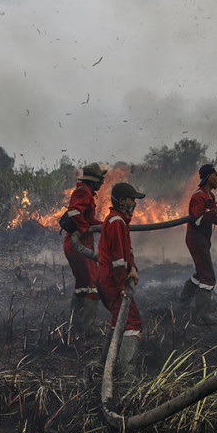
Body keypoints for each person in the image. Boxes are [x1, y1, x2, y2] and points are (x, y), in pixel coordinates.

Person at [177, 163, 217, 325]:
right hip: (196, 240)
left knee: (201, 274)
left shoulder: (210, 197)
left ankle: (182, 307)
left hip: (203, 240)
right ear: (208, 177)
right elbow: (199, 220)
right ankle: (202, 316)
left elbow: (212, 218)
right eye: (215, 175)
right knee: (208, 278)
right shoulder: (198, 197)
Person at [97, 182, 145, 380]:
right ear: (121, 200)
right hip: (111, 281)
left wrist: (132, 267)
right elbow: (118, 259)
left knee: (119, 320)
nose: (134, 202)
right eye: (132, 199)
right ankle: (128, 377)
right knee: (132, 322)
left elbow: (127, 251)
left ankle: (104, 365)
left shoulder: (120, 221)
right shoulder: (116, 222)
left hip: (108, 279)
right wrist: (120, 286)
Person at [62, 162, 106, 336]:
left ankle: (76, 323)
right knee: (94, 284)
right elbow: (74, 212)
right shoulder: (83, 192)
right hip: (79, 246)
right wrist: (84, 228)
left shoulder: (86, 192)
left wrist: (106, 224)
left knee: (82, 285)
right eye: (99, 180)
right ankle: (88, 326)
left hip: (76, 246)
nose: (101, 183)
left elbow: (88, 220)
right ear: (93, 180)